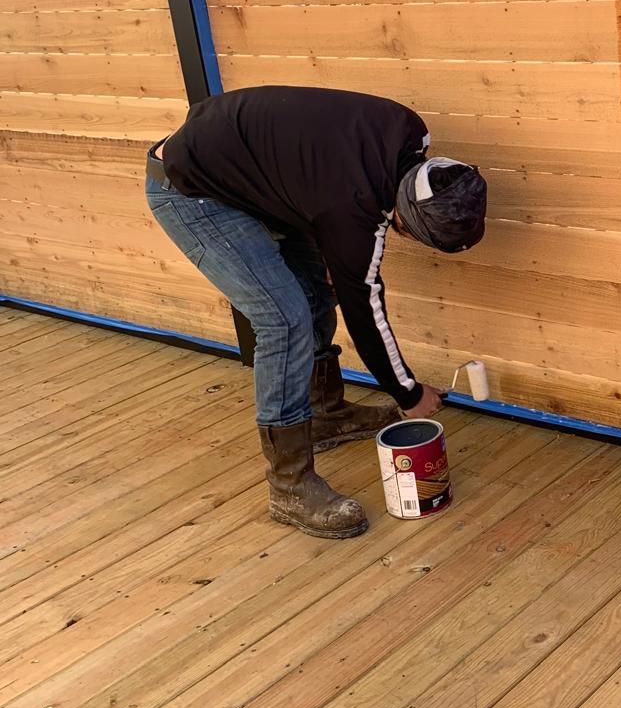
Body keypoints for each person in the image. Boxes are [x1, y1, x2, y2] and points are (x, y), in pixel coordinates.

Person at [145, 85, 487, 541]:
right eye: (410, 235)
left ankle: (324, 412)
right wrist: (407, 392)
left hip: (251, 173)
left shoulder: (411, 135)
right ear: (403, 217)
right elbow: (365, 309)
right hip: (193, 190)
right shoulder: (350, 208)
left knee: (315, 292)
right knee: (283, 319)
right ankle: (289, 485)